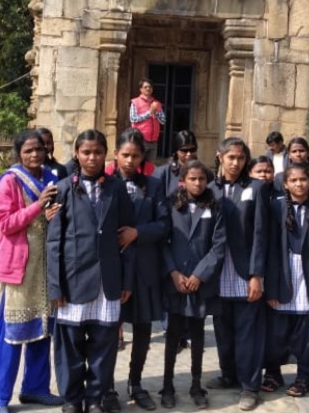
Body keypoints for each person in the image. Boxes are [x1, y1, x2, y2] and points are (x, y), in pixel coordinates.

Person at [47, 130, 136, 413]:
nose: (92, 157)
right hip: (72, 281)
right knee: (69, 347)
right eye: (86, 152)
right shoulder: (63, 189)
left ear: (105, 154)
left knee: (103, 347)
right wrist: (55, 286)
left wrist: (127, 280)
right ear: (76, 154)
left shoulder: (116, 188)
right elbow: (53, 242)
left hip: (107, 283)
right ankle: (72, 400)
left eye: (97, 152)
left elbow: (127, 236)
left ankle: (95, 398)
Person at [0, 130, 63, 413]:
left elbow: (58, 216)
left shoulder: (52, 178)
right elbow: (5, 223)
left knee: (42, 330)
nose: (34, 154)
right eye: (28, 150)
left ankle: (35, 389)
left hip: (44, 266)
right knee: (10, 333)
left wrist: (52, 215)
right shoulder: (10, 180)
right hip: (18, 266)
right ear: (19, 153)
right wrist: (38, 206)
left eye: (39, 149)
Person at [103, 129, 169, 412]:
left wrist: (137, 233)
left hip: (144, 268)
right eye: (125, 155)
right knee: (107, 330)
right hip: (112, 268)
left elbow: (164, 224)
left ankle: (136, 382)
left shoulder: (153, 186)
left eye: (136, 156)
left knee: (142, 328)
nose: (130, 161)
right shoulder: (105, 184)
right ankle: (106, 387)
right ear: (116, 154)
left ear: (143, 157)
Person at [207, 137, 271, 411]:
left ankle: (249, 386)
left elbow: (260, 233)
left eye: (241, 158)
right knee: (223, 329)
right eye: (231, 157)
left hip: (245, 272)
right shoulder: (210, 189)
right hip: (218, 272)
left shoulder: (256, 188)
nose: (235, 162)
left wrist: (257, 275)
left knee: (248, 334)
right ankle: (228, 374)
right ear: (220, 156)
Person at [263, 163, 309, 398]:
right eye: (293, 180)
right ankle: (272, 373)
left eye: (303, 179)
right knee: (276, 332)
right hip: (282, 273)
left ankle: (304, 377)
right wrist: (269, 286)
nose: (299, 184)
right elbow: (268, 248)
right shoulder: (275, 208)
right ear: (285, 184)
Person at [161, 160, 226, 409]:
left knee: (197, 334)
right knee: (173, 334)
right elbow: (164, 242)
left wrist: (199, 275)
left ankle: (196, 384)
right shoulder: (171, 204)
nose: (197, 183)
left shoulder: (214, 206)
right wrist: (173, 273)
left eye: (202, 179)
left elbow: (218, 246)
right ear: (183, 180)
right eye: (192, 179)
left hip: (200, 282)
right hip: (176, 281)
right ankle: (167, 385)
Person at [154, 131, 211, 197]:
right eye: (184, 150)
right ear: (176, 151)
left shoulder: (206, 173)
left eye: (192, 149)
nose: (189, 154)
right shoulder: (163, 173)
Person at [130, 78, 166, 163]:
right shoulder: (135, 102)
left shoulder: (157, 103)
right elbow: (133, 119)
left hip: (153, 141)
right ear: (141, 89)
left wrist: (155, 112)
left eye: (150, 87)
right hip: (140, 140)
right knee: (137, 164)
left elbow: (163, 121)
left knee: (150, 166)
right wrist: (149, 113)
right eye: (145, 87)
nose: (148, 89)